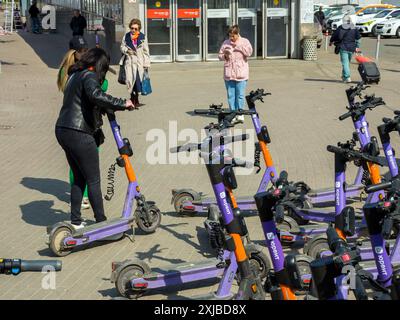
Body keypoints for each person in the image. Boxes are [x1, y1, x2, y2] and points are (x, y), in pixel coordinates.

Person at [55, 48, 135, 229]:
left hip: (63, 129)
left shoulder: (75, 74)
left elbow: (87, 100)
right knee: (93, 180)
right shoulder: (89, 76)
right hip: (79, 133)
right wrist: (123, 103)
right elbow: (96, 95)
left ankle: (76, 221)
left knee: (79, 178)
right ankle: (101, 223)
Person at [218, 25, 253, 124]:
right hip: (229, 74)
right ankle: (232, 114)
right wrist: (225, 55)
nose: (231, 38)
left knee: (240, 95)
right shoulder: (226, 43)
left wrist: (238, 46)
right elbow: (220, 56)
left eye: (233, 36)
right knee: (231, 95)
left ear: (237, 34)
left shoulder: (245, 41)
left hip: (241, 73)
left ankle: (240, 113)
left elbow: (249, 53)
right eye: (230, 36)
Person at [120, 18, 151, 108]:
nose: (133, 30)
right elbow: (122, 47)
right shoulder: (126, 37)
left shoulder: (143, 37)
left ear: (139, 29)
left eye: (135, 29)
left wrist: (146, 64)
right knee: (130, 82)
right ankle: (132, 98)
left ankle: (136, 98)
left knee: (138, 82)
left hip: (139, 64)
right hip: (129, 63)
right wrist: (127, 50)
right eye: (132, 28)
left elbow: (146, 52)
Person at [330, 15, 361, 83]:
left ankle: (347, 77)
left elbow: (334, 36)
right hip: (351, 48)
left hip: (343, 47)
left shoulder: (340, 28)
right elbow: (358, 39)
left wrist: (331, 41)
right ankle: (344, 77)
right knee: (346, 63)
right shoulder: (354, 28)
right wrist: (357, 47)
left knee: (345, 63)